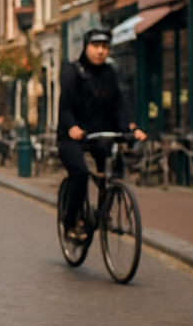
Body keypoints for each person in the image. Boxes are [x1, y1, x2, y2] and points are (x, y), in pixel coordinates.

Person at [58, 27, 146, 240]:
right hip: (73, 136)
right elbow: (65, 107)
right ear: (86, 48)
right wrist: (72, 127)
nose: (101, 51)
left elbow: (118, 106)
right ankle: (70, 222)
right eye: (96, 46)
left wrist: (130, 128)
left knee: (114, 168)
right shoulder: (73, 71)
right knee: (79, 173)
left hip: (101, 135)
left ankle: (104, 211)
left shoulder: (109, 73)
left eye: (105, 47)